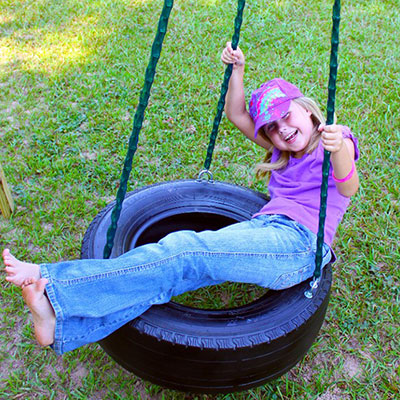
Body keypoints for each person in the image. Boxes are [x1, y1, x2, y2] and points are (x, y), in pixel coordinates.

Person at [2, 42, 359, 355]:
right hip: (268, 229)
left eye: (286, 116)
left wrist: (338, 147)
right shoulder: (283, 151)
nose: (281, 128)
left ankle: (52, 281)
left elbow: (348, 188)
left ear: (308, 110)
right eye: (271, 127)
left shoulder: (333, 142)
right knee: (178, 271)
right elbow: (236, 114)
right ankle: (62, 327)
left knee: (185, 249)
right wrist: (238, 70)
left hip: (300, 244)